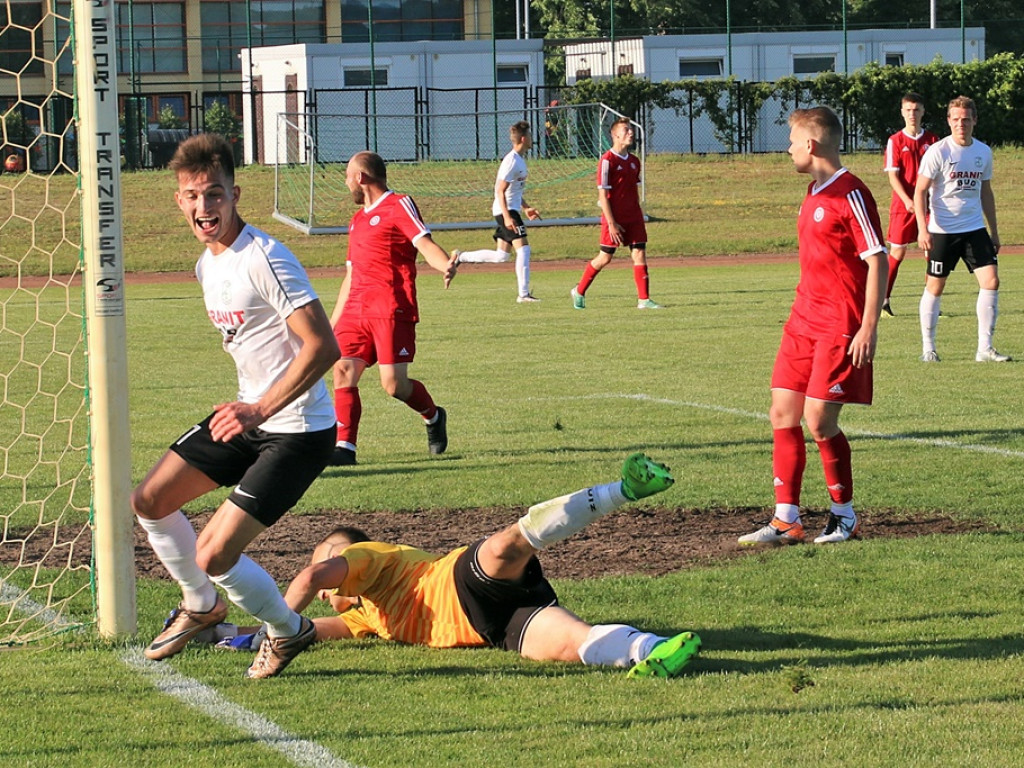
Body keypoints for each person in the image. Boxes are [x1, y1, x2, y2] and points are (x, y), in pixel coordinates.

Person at [131, 133, 341, 679]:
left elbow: (323, 346)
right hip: (250, 415)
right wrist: (252, 410)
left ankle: (288, 629)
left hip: (297, 429)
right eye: (193, 196)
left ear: (235, 195)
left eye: (215, 194)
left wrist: (259, 410)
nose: (204, 207)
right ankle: (202, 606)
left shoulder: (265, 258)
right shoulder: (208, 264)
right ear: (179, 200)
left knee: (214, 554)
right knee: (151, 499)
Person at [212, 454, 703, 679]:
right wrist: (223, 632)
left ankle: (623, 489)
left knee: (509, 544)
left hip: (459, 580)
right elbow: (310, 630)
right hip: (494, 625)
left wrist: (273, 632)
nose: (323, 586)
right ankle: (651, 649)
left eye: (329, 559)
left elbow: (310, 581)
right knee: (572, 644)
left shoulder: (370, 560)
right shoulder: (364, 617)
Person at [738, 107, 887, 547]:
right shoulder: (812, 191)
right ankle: (786, 519)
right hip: (802, 319)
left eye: (792, 141)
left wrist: (869, 326)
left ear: (811, 144)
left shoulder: (851, 193)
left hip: (840, 324)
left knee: (819, 421)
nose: (787, 149)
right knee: (782, 413)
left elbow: (877, 259)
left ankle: (844, 516)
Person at [329, 151, 459, 467]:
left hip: (390, 307)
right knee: (343, 370)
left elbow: (424, 243)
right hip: (356, 309)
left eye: (347, 176)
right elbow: (351, 275)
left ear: (360, 177)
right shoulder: (356, 221)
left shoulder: (398, 204)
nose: (346, 183)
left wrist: (445, 264)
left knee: (394, 385)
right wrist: (332, 323)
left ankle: (433, 415)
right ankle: (344, 447)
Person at [914, 96, 1009, 363]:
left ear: (974, 120)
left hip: (974, 227)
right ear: (948, 121)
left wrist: (994, 231)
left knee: (991, 281)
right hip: (942, 230)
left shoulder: (983, 152)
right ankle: (928, 348)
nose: (961, 124)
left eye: (966, 119)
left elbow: (986, 192)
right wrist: (923, 229)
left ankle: (985, 349)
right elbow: (920, 191)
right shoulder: (938, 151)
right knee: (935, 285)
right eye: (955, 119)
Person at [571, 117, 659, 310]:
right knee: (605, 257)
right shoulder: (607, 161)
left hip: (633, 217)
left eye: (631, 129)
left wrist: (638, 214)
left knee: (639, 253)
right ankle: (579, 291)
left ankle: (644, 300)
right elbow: (602, 195)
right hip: (614, 218)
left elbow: (633, 191)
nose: (631, 132)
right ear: (615, 135)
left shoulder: (634, 161)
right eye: (626, 130)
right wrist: (611, 223)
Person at [450, 121, 542, 303]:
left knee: (501, 256)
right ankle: (523, 295)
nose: (532, 139)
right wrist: (507, 217)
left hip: (509, 209)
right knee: (524, 250)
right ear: (524, 139)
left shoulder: (519, 159)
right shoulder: (512, 161)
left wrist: (526, 207)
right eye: (530, 136)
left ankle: (461, 256)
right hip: (506, 211)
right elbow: (499, 191)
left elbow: (514, 191)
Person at [881, 92, 938, 316]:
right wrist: (907, 201)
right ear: (902, 113)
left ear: (923, 112)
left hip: (929, 205)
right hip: (902, 207)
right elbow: (893, 176)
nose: (912, 114)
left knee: (932, 251)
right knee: (897, 252)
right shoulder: (895, 141)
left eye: (916, 110)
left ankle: (931, 305)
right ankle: (884, 302)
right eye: (908, 110)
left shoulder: (932, 140)